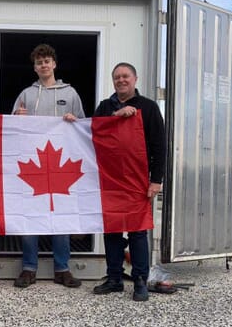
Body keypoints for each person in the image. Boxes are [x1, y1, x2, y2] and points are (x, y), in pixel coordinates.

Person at [12, 44, 85, 289]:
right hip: (34, 165)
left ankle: (62, 269)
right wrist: (17, 118)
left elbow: (83, 128)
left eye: (47, 61)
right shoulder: (26, 94)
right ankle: (29, 268)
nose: (44, 65)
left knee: (61, 218)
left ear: (54, 64)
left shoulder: (71, 93)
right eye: (39, 62)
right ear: (35, 67)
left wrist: (74, 122)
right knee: (30, 217)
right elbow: (11, 129)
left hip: (61, 164)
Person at [92, 62, 166, 301]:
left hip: (137, 181)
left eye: (125, 76)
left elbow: (159, 146)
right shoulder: (105, 107)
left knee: (136, 231)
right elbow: (93, 132)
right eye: (117, 77)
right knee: (112, 231)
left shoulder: (149, 107)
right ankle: (114, 277)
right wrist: (116, 116)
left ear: (135, 79)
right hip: (110, 180)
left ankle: (140, 279)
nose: (121, 80)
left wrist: (156, 180)